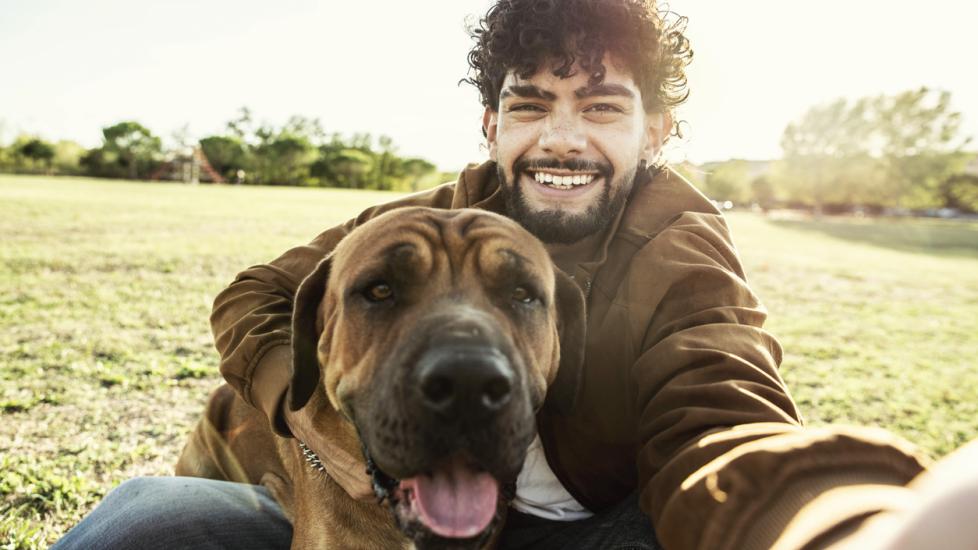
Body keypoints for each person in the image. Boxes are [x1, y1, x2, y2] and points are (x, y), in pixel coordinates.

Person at [52, 1, 978, 549]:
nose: (562, 137)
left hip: (580, 532)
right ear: (492, 125)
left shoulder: (683, 257)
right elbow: (254, 295)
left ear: (655, 132)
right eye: (530, 105)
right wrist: (313, 420)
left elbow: (722, 428)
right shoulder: (422, 217)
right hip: (379, 500)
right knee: (152, 512)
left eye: (602, 107)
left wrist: (853, 528)